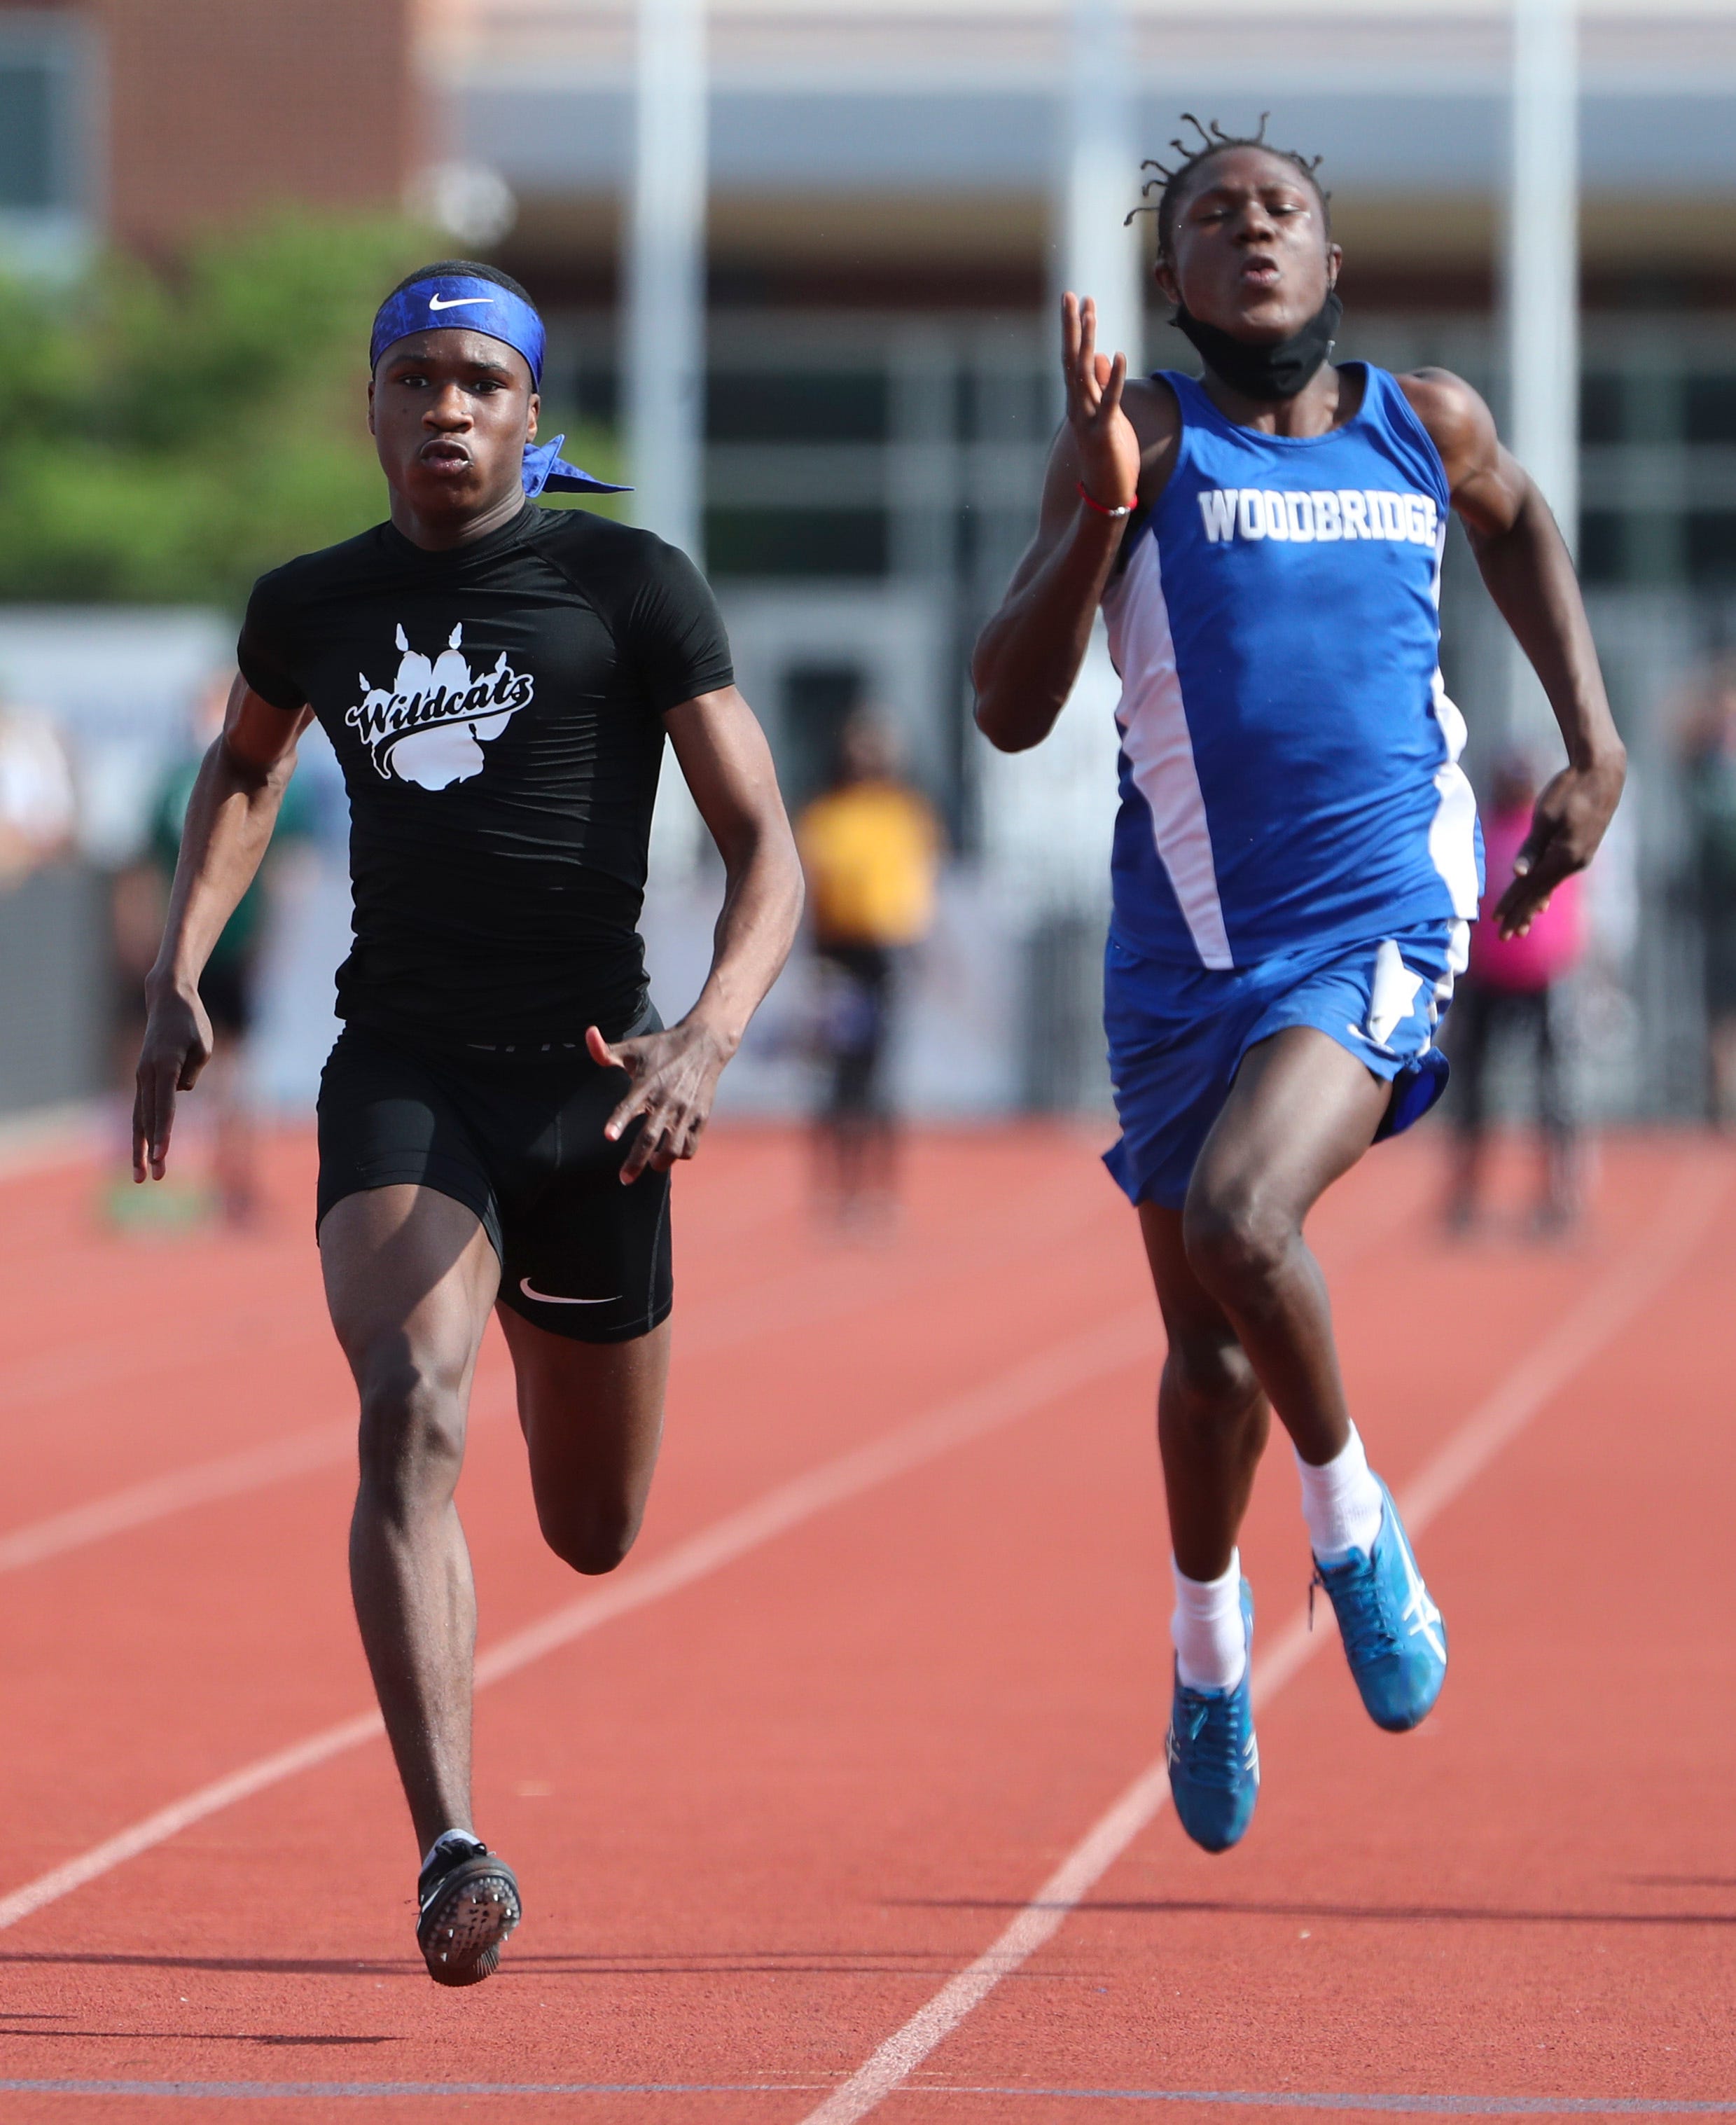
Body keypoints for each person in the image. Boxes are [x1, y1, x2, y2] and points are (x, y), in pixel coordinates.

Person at [133, 261, 803, 1983]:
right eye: (415, 379)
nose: (446, 409)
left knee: (593, 1527)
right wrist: (179, 973)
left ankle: (539, 1305)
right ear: (370, 406)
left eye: (479, 383)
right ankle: (451, 1844)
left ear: (528, 412)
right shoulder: (310, 606)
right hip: (407, 1068)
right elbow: (248, 767)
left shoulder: (626, 583)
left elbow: (766, 851)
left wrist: (708, 1039)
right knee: (408, 1403)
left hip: (595, 1085)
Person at [971, 118, 1624, 1853]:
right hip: (1181, 947)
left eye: (1283, 211)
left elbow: (1522, 526)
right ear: (1171, 278)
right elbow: (1008, 705)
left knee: (1248, 1224)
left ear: (1331, 264)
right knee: (1207, 1356)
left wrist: (1593, 744)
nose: (1251, 230)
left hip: (1375, 926)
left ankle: (1353, 1535)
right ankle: (1204, 1652)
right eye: (1211, 216)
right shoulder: (1140, 439)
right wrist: (1094, 520)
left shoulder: (1432, 421)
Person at [130, 672, 315, 1226]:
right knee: (163, 1061)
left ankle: (231, 1174)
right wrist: (152, 942)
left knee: (235, 1063)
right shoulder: (169, 781)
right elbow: (142, 865)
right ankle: (160, 1177)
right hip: (180, 946)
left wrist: (270, 939)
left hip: (235, 944)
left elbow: (287, 869)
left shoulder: (281, 779)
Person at [795, 710, 942, 1224]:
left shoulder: (907, 814)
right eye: (860, 747)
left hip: (887, 955)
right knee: (838, 1078)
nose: (869, 758)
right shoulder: (824, 814)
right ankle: (838, 1188)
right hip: (838, 954)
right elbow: (811, 890)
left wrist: (922, 953)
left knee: (880, 1078)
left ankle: (879, 1191)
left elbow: (916, 889)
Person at [1445, 749, 1588, 1234]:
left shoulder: (1547, 836)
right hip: (1487, 976)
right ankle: (1464, 1190)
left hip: (1542, 979)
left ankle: (1561, 1194)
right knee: (1472, 1092)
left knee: (1555, 1094)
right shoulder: (1477, 830)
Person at [1678, 659, 1736, 1127]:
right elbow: (1674, 728)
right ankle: (1720, 1095)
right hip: (1717, 894)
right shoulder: (1706, 755)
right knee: (1717, 996)